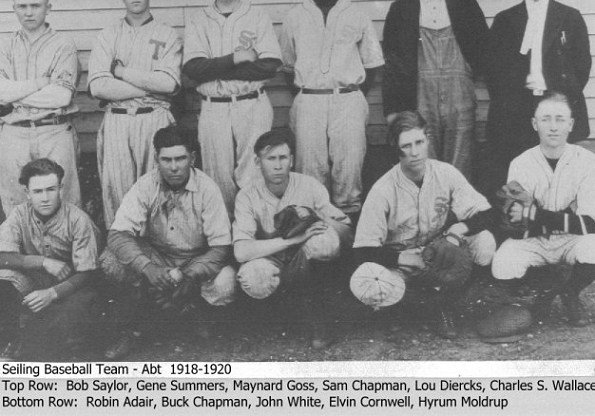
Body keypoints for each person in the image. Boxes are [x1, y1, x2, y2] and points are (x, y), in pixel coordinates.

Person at [351, 111, 497, 338]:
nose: (415, 152)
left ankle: (443, 304)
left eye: (419, 142)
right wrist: (405, 259)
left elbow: (486, 213)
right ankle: (409, 307)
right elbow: (363, 250)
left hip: (437, 255)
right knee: (365, 278)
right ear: (396, 148)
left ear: (427, 139)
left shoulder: (445, 172)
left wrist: (458, 230)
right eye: (406, 146)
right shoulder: (383, 189)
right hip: (401, 262)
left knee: (485, 241)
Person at [100, 125, 236, 359]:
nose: (173, 167)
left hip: (195, 259)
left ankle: (196, 313)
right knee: (110, 260)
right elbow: (117, 234)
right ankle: (133, 328)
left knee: (226, 283)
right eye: (166, 159)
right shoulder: (145, 185)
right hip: (158, 257)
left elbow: (221, 247)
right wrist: (148, 267)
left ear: (192, 158)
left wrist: (191, 275)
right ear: (156, 159)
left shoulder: (207, 188)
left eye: (180, 159)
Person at [280, 0, 384, 217]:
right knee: (310, 172)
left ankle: (348, 237)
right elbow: (288, 68)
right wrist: (311, 91)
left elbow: (371, 66)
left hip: (347, 99)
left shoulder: (357, 14)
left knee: (348, 171)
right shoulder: (294, 16)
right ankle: (315, 237)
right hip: (309, 100)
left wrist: (348, 91)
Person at [382, 0, 489, 179]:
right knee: (425, 169)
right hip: (420, 101)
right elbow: (392, 65)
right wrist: (392, 110)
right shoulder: (401, 9)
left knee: (460, 169)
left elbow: (485, 53)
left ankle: (458, 218)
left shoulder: (465, 3)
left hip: (459, 101)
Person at [233, 129, 353, 348]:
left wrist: (316, 218)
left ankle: (319, 316)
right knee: (253, 278)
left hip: (305, 259)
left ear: (292, 160)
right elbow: (241, 251)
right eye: (270, 159)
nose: (278, 166)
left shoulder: (309, 185)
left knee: (323, 242)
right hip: (271, 258)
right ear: (258, 162)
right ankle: (274, 316)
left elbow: (345, 230)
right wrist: (291, 240)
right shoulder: (247, 195)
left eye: (283, 158)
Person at [486, 0, 591, 195]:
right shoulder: (505, 21)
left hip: (555, 107)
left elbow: (581, 66)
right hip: (517, 113)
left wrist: (557, 95)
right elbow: (493, 71)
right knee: (521, 180)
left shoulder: (569, 18)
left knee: (557, 178)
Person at [183, 0, 282, 214]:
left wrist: (214, 68)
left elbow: (269, 66)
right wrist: (236, 58)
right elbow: (193, 69)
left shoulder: (256, 15)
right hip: (213, 106)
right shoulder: (198, 19)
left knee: (255, 171)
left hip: (251, 103)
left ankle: (253, 231)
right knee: (217, 175)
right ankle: (225, 237)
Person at [88, 0, 182, 228]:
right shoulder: (108, 35)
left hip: (155, 120)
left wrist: (120, 72)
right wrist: (147, 87)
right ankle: (122, 257)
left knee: (158, 191)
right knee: (118, 193)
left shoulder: (167, 34)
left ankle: (159, 256)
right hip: (117, 120)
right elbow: (98, 86)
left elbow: (168, 82)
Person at [491, 93, 595, 326]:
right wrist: (558, 218)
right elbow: (517, 227)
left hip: (572, 239)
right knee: (503, 263)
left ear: (571, 124)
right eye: (546, 119)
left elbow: (590, 223)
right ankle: (541, 293)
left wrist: (535, 215)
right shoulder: (521, 163)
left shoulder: (587, 161)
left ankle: (569, 291)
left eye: (560, 119)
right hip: (534, 241)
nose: (553, 127)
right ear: (534, 124)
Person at [0, 159, 100, 360]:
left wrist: (53, 293)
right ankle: (12, 340)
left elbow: (88, 273)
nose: (45, 198)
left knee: (57, 336)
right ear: (27, 193)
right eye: (37, 192)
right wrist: (43, 262)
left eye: (51, 189)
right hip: (35, 281)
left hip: (72, 286)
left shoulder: (78, 219)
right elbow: (3, 256)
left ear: (61, 188)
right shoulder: (19, 214)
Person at [0, 0, 80, 217]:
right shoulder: (4, 46)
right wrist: (40, 83)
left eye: (35, 5)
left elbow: (61, 96)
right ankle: (19, 255)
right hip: (14, 132)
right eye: (21, 6)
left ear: (48, 7)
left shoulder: (63, 45)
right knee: (15, 199)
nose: (28, 12)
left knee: (63, 199)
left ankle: (65, 252)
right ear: (14, 9)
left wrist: (15, 95)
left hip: (53, 131)